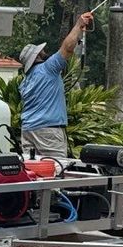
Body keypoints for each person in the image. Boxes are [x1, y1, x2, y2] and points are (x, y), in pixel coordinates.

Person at [18, 12, 92, 162]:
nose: (45, 52)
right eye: (42, 51)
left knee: (33, 171)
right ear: (37, 57)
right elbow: (67, 48)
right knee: (55, 171)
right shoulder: (48, 68)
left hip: (27, 131)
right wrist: (78, 25)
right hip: (48, 131)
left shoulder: (25, 81)